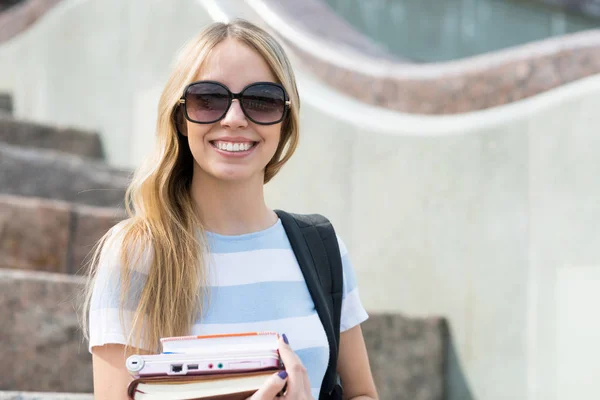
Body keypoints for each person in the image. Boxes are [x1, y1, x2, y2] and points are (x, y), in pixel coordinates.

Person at [82, 19, 378, 400]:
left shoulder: (321, 246)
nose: (235, 119)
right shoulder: (137, 253)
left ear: (286, 121)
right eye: (208, 99)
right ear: (180, 117)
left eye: (262, 100)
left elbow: (362, 394)